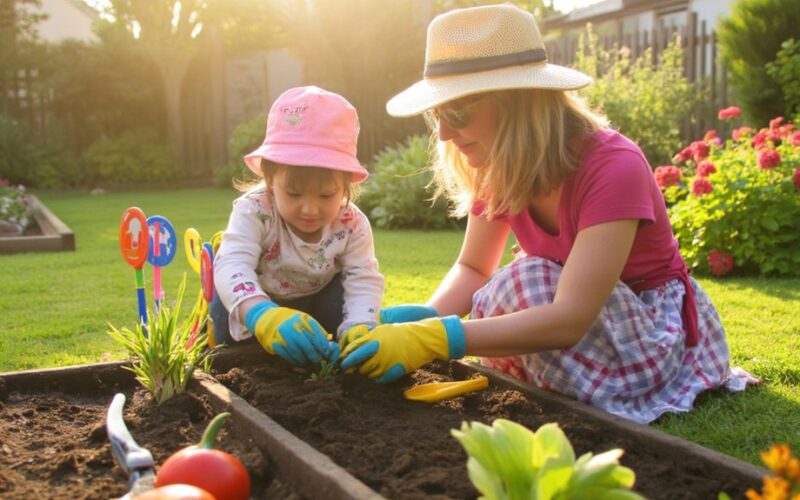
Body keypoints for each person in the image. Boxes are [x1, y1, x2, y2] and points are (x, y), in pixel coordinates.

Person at [340, 4, 757, 423]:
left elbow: (571, 316)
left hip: (653, 332)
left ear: (521, 102)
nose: (445, 132)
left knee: (528, 282)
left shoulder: (613, 166)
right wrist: (424, 319)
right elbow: (472, 267)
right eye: (437, 114)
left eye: (458, 112)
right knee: (520, 284)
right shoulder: (499, 165)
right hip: (576, 314)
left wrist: (440, 338)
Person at [212, 85, 384, 366]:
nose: (309, 209)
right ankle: (245, 353)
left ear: (345, 186)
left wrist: (360, 325)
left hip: (314, 301)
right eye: (293, 193)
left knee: (350, 303)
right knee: (229, 327)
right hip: (254, 299)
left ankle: (358, 330)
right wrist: (261, 315)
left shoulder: (352, 224)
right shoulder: (255, 211)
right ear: (270, 180)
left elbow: (362, 277)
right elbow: (232, 263)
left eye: (327, 195)